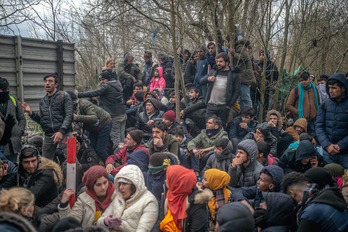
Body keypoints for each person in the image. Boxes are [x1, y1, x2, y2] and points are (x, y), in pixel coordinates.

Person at [22, 74, 73, 160]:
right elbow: (43, 121)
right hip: (49, 136)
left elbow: (69, 115)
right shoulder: (43, 101)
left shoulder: (64, 96)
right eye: (45, 81)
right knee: (45, 163)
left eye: (50, 81)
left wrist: (61, 132)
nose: (47, 83)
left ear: (56, 84)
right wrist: (31, 113)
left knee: (72, 162)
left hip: (65, 134)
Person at [97, 165, 158, 231]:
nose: (120, 187)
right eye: (120, 184)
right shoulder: (119, 197)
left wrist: (120, 225)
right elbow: (98, 223)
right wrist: (105, 222)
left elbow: (143, 229)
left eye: (124, 184)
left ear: (134, 185)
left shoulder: (149, 201)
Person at [78, 69, 126, 150]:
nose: (101, 82)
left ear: (108, 79)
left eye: (103, 79)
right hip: (122, 114)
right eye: (100, 80)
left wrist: (79, 94)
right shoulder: (117, 84)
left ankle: (118, 158)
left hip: (114, 116)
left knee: (115, 139)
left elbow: (95, 92)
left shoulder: (107, 86)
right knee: (122, 139)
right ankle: (123, 155)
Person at [160, 165, 213, 231]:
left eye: (170, 178)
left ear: (177, 183)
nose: (166, 181)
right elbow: (160, 220)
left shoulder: (197, 204)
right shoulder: (168, 195)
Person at [297, 167, 348, 232]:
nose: (305, 186)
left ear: (318, 184)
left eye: (308, 183)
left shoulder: (313, 211)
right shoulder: (335, 199)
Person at [67, 91, 112, 162]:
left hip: (104, 123)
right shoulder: (70, 108)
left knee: (100, 150)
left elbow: (94, 118)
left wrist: (77, 117)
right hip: (92, 128)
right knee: (91, 148)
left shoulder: (83, 104)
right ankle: (94, 166)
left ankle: (110, 165)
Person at [316, 73, 348, 168]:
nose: (330, 91)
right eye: (329, 88)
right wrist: (327, 145)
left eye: (334, 88)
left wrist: (341, 145)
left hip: (346, 153)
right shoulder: (326, 104)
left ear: (343, 88)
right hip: (328, 153)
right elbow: (319, 126)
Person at [200, 52, 241, 128]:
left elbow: (237, 91)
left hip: (223, 107)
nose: (218, 63)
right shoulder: (214, 71)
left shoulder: (233, 74)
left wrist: (229, 105)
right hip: (211, 105)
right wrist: (209, 79)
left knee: (221, 129)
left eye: (221, 61)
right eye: (217, 61)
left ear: (227, 62)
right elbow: (201, 81)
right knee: (208, 127)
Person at [0, 77, 26, 162]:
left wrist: (20, 131)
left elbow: (21, 118)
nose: (4, 92)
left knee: (13, 169)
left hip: (12, 144)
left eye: (6, 89)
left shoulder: (12, 100)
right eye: (1, 90)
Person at [230, 40, 255, 110]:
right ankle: (242, 117)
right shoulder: (239, 49)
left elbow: (244, 58)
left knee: (245, 99)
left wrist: (234, 54)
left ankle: (249, 116)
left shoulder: (240, 48)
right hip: (240, 79)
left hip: (244, 79)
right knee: (240, 100)